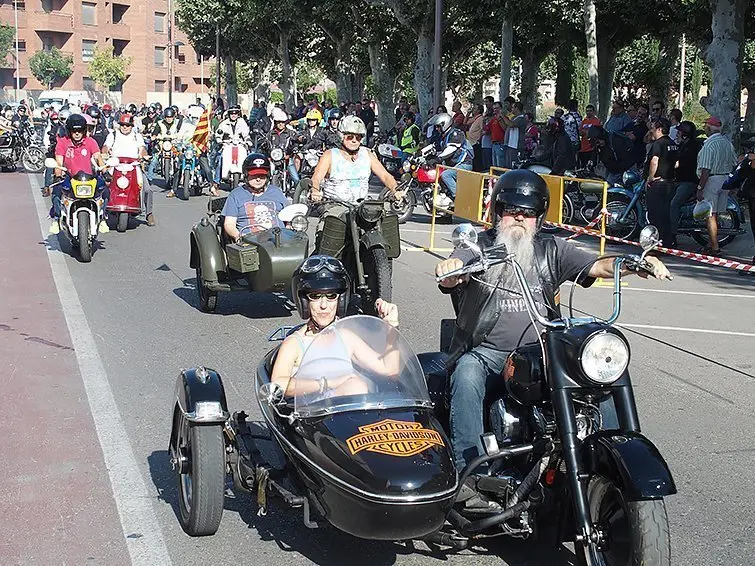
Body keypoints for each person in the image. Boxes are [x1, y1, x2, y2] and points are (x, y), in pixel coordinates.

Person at [434, 170, 671, 507]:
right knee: (467, 374)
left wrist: (637, 263)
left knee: (599, 379)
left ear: (539, 217)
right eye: (510, 209)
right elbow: (457, 266)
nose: (519, 217)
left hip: (543, 353)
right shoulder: (481, 245)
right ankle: (468, 478)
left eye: (527, 212)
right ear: (497, 212)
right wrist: (451, 268)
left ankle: (611, 462)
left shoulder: (551, 249)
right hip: (489, 352)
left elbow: (598, 266)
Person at [271, 255, 399, 396]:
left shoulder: (345, 337)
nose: (324, 305)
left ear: (341, 300)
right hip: (311, 415)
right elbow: (278, 386)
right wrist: (327, 383)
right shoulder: (295, 343)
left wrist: (391, 327)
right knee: (356, 386)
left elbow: (389, 369)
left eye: (331, 296)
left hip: (347, 413)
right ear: (304, 302)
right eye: (315, 296)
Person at [310, 116, 402, 241]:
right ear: (341, 136)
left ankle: (383, 258)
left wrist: (395, 189)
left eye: (358, 137)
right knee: (328, 234)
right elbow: (316, 177)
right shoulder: (330, 155)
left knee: (384, 224)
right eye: (350, 137)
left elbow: (385, 175)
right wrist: (315, 190)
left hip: (361, 206)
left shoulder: (367, 154)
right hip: (335, 205)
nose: (354, 140)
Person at [49, 113, 109, 235]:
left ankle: (102, 217)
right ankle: (56, 219)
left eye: (80, 130)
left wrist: (105, 171)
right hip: (69, 177)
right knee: (56, 191)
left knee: (106, 190)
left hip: (89, 178)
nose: (77, 133)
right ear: (69, 131)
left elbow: (98, 157)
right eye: (74, 131)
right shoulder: (62, 142)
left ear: (84, 130)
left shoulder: (91, 142)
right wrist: (58, 175)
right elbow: (59, 161)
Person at [101, 113, 156, 227]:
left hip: (133, 166)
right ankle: (101, 213)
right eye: (123, 124)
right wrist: (105, 152)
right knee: (104, 185)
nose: (125, 127)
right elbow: (106, 147)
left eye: (127, 125)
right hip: (116, 165)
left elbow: (142, 149)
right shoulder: (113, 135)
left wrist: (144, 155)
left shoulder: (137, 136)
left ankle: (149, 213)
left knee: (146, 189)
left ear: (131, 126)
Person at [221, 153, 288, 242]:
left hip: (279, 239)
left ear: (268, 176)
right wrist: (238, 236)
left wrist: (289, 228)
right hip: (249, 242)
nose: (258, 179)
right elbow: (229, 224)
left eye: (261, 175)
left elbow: (289, 215)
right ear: (246, 175)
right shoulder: (236, 194)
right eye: (254, 175)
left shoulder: (276, 192)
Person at [695, 116, 737, 255]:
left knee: (710, 215)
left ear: (709, 127)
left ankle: (714, 247)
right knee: (716, 213)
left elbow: (705, 169)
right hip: (724, 180)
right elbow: (734, 163)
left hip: (712, 181)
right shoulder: (727, 143)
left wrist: (700, 188)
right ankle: (710, 243)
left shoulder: (709, 145)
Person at [644, 117, 678, 248]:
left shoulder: (658, 144)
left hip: (658, 184)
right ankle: (667, 242)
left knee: (655, 215)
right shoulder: (673, 143)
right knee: (666, 214)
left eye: (653, 128)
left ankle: (656, 243)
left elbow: (654, 161)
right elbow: (676, 164)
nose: (651, 130)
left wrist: (651, 177)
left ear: (659, 129)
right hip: (669, 183)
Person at [427, 112, 474, 206]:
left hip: (464, 164)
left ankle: (459, 199)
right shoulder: (444, 136)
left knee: (446, 175)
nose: (437, 129)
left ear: (445, 124)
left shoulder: (456, 134)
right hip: (453, 164)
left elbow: (451, 149)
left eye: (438, 126)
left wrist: (438, 159)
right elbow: (437, 149)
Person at [670, 121, 702, 243]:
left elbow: (680, 164)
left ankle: (672, 235)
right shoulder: (684, 145)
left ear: (685, 134)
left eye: (679, 131)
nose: (677, 133)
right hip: (679, 180)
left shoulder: (691, 147)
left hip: (688, 181)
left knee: (674, 204)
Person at [213, 104, 251, 195]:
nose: (233, 115)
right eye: (232, 113)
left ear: (238, 114)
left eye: (236, 113)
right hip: (227, 145)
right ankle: (216, 183)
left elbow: (246, 134)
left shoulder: (242, 123)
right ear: (229, 114)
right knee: (220, 159)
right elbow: (218, 133)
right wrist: (219, 139)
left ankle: (249, 179)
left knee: (249, 157)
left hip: (240, 145)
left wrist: (248, 141)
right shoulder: (224, 123)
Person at [146, 107, 182, 184]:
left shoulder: (178, 122)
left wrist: (181, 137)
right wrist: (153, 137)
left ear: (173, 116)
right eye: (167, 117)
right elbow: (155, 133)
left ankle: (184, 176)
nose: (169, 119)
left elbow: (182, 131)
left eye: (170, 117)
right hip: (162, 145)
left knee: (182, 158)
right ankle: (149, 179)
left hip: (174, 145)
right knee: (154, 160)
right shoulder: (160, 123)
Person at [500, 101, 527, 168]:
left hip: (516, 146)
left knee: (514, 165)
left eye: (512, 107)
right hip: (510, 144)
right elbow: (506, 128)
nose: (511, 109)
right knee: (508, 165)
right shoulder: (513, 118)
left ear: (517, 108)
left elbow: (511, 124)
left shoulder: (521, 118)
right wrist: (500, 120)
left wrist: (503, 116)